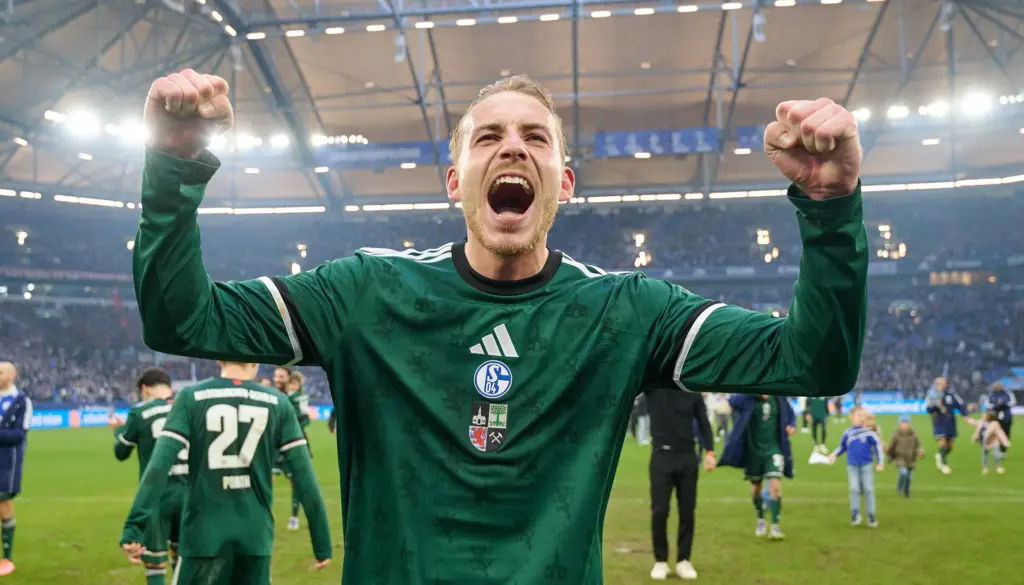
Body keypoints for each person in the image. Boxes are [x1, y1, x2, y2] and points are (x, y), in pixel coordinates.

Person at [132, 68, 868, 582]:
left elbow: (814, 362)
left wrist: (833, 212)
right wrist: (171, 168)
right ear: (455, 181)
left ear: (563, 183)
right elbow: (183, 316)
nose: (512, 146)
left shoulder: (626, 311)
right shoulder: (366, 293)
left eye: (535, 138)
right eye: (487, 137)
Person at [119, 361, 332, 583]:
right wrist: (321, 542)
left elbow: (158, 466)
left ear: (219, 360)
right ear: (256, 361)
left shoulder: (191, 397)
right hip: (255, 534)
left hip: (203, 532)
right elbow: (304, 476)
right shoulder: (278, 402)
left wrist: (134, 526)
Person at [111, 367, 187, 584]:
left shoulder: (139, 412)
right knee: (183, 557)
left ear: (144, 389)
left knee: (154, 563)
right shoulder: (186, 408)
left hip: (155, 495)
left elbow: (121, 453)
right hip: (188, 491)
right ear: (169, 388)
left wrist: (118, 431)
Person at [644, 386, 717, 580]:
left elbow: (703, 422)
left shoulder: (691, 392)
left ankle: (683, 560)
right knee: (659, 511)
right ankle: (660, 561)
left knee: (687, 511)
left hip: (687, 458)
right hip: (661, 457)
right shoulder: (654, 389)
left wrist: (710, 451)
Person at [719, 394, 796, 540]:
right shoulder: (747, 398)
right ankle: (761, 519)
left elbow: (790, 413)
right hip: (753, 451)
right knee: (756, 488)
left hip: (774, 449)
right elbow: (732, 403)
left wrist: (792, 425)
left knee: (775, 485)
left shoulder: (779, 398)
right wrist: (751, 391)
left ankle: (775, 526)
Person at [0, 359, 30, 576]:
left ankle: (7, 559)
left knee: (3, 503)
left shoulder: (21, 401)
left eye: (0, 373)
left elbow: (19, 434)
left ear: (12, 376)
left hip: (7, 461)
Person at [829, 407, 883, 527]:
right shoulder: (847, 433)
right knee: (854, 489)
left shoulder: (869, 432)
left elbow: (878, 446)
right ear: (851, 417)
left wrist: (880, 462)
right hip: (852, 465)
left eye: (863, 415)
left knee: (868, 489)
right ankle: (855, 514)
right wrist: (834, 455)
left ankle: (871, 515)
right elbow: (842, 447)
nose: (861, 418)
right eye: (859, 415)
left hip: (867, 464)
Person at [283, 370, 313, 531]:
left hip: (295, 444)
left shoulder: (294, 398)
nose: (293, 386)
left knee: (297, 481)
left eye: (296, 384)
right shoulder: (286, 398)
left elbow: (305, 416)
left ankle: (294, 517)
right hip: (278, 447)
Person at [927, 377, 970, 474]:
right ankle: (944, 465)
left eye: (944, 383)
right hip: (939, 421)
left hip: (950, 421)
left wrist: (965, 415)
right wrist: (936, 405)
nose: (942, 385)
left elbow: (960, 404)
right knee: (942, 442)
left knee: (950, 445)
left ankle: (940, 455)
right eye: (940, 383)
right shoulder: (932, 394)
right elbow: (929, 409)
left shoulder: (951, 393)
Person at [886, 414, 924, 498]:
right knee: (903, 473)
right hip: (900, 458)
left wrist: (920, 452)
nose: (905, 425)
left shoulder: (913, 435)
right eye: (903, 423)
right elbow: (892, 446)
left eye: (906, 423)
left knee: (909, 477)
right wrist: (889, 455)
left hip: (911, 459)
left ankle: (907, 491)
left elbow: (917, 446)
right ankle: (899, 487)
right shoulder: (896, 435)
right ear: (899, 424)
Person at [981, 382, 1014, 456]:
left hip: (1006, 415)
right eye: (997, 386)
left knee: (1006, 432)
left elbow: (1012, 402)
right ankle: (996, 449)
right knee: (995, 432)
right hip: (994, 415)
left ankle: (1003, 450)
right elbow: (987, 404)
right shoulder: (991, 394)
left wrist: (1003, 404)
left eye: (1000, 386)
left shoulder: (1008, 393)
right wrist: (996, 405)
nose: (998, 387)